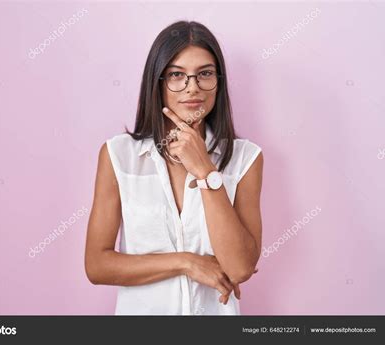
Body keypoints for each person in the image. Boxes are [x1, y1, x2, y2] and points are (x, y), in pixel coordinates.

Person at [85, 20, 263, 315]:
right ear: (158, 83)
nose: (192, 87)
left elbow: (240, 267)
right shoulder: (119, 155)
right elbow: (97, 265)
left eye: (205, 74)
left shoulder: (246, 158)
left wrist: (206, 172)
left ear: (218, 81)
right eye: (177, 75)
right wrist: (188, 263)